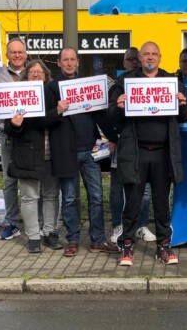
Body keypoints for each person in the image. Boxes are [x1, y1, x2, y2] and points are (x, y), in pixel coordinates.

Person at [109, 41, 187, 266]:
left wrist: (183, 105)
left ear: (160, 57)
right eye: (146, 54)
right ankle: (126, 245)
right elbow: (109, 117)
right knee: (132, 202)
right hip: (135, 152)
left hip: (163, 153)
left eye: (154, 54)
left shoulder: (172, 81)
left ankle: (164, 246)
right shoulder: (125, 82)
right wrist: (117, 107)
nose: (150, 57)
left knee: (162, 203)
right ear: (140, 58)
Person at [46, 47, 118, 257]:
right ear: (58, 63)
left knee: (96, 197)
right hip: (67, 152)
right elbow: (45, 119)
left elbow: (101, 116)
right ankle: (73, 240)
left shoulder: (87, 86)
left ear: (77, 62)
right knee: (69, 198)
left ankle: (97, 240)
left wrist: (113, 138)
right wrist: (57, 111)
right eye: (65, 60)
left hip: (91, 151)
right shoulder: (51, 88)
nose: (69, 63)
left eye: (72, 59)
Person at [4, 60, 62, 253]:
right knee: (30, 197)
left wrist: (58, 111)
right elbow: (9, 129)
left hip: (52, 154)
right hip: (27, 155)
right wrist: (15, 124)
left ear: (46, 76)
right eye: (32, 72)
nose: (37, 75)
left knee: (52, 196)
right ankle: (33, 237)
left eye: (40, 72)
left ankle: (49, 233)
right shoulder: (17, 96)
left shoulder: (54, 95)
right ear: (26, 75)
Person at [108, 47, 155, 244]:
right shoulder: (117, 85)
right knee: (118, 186)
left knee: (143, 188)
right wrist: (112, 137)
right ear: (124, 63)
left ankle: (141, 225)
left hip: (144, 143)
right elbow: (108, 114)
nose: (135, 62)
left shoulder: (155, 82)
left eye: (137, 58)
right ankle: (119, 224)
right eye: (130, 59)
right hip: (121, 141)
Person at [0, 37, 28, 240]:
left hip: (30, 134)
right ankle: (12, 223)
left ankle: (39, 224)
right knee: (9, 180)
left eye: (20, 52)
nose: (17, 55)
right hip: (7, 134)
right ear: (6, 55)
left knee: (32, 179)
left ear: (25, 54)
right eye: (13, 52)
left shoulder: (33, 73)